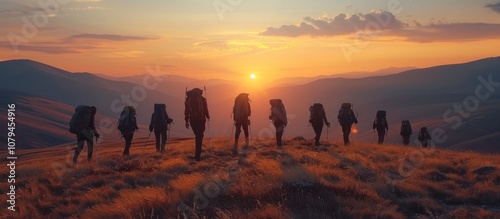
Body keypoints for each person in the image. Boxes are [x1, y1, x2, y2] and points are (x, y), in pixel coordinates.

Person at [185, 88, 210, 161]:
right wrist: (208, 116)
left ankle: (197, 154)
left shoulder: (188, 99)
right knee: (199, 137)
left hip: (192, 120)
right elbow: (205, 108)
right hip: (201, 119)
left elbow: (186, 111)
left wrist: (186, 121)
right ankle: (197, 155)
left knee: (197, 136)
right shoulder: (202, 99)